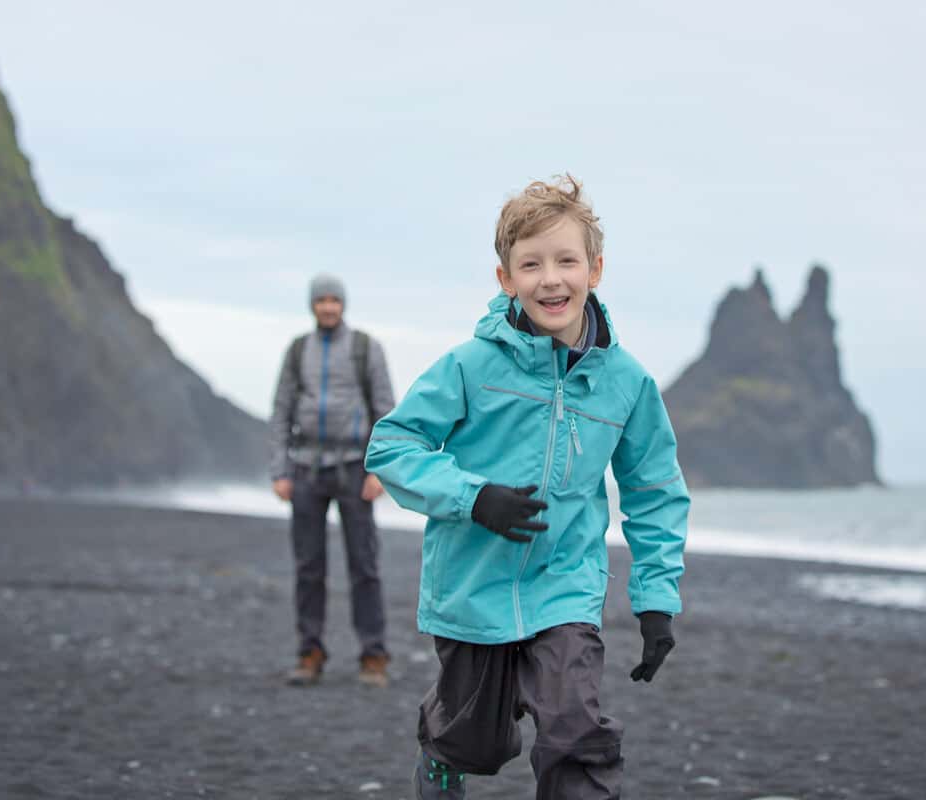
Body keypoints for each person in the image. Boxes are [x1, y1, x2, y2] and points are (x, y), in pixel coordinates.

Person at [364, 176, 690, 799]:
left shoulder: (627, 383)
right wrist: (473, 497)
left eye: (567, 261)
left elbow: (654, 491)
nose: (551, 279)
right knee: (474, 744)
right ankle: (441, 760)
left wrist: (656, 598)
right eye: (531, 264)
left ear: (595, 270)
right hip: (472, 588)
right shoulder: (471, 365)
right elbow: (391, 446)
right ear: (505, 278)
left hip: (566, 586)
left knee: (575, 731)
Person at [269, 274, 396, 688]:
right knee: (308, 567)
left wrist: (380, 470)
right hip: (305, 469)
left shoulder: (364, 348)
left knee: (364, 566)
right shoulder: (298, 350)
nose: (328, 307)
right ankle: (310, 653)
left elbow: (385, 411)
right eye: (321, 300)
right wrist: (280, 471)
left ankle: (373, 655)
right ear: (312, 305)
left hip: (355, 468)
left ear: (343, 304)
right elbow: (281, 410)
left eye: (334, 300)